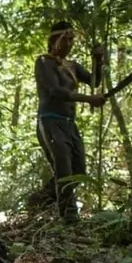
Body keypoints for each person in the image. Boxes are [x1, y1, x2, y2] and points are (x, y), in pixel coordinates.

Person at [33, 20, 105, 223]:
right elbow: (55, 91)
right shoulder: (43, 62)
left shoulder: (73, 66)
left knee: (79, 169)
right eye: (67, 39)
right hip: (50, 121)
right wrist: (89, 99)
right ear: (55, 40)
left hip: (69, 123)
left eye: (73, 40)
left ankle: (43, 197)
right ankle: (69, 217)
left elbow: (94, 81)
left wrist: (98, 61)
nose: (70, 44)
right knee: (63, 168)